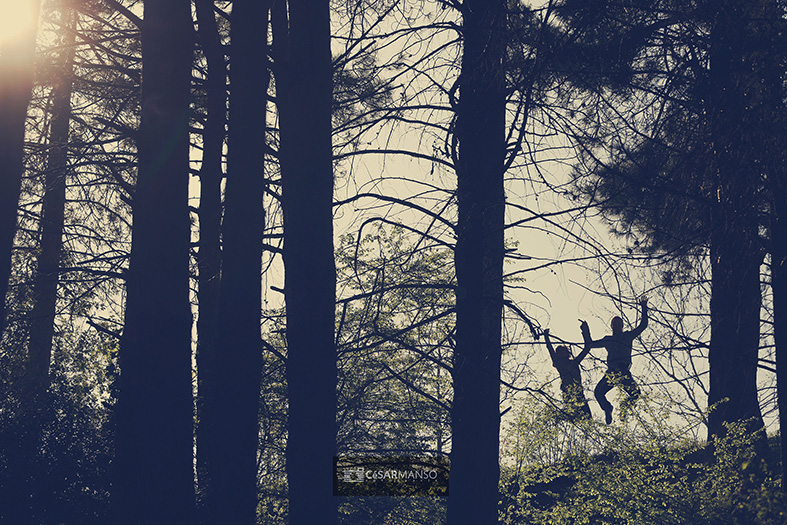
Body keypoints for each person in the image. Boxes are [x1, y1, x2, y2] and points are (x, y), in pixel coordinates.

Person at [584, 297, 649, 424]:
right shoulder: (608, 340)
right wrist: (585, 332)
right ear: (612, 326)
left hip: (624, 372)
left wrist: (644, 308)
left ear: (622, 326)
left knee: (636, 394)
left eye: (620, 324)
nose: (618, 326)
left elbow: (643, 326)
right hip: (612, 373)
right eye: (615, 324)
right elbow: (590, 345)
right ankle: (608, 408)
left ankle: (624, 407)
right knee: (598, 393)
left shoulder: (627, 336)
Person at [543, 322, 592, 420]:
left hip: (578, 393)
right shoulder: (559, 364)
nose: (561, 354)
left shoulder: (574, 362)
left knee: (588, 419)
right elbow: (550, 350)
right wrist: (546, 337)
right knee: (574, 417)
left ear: (567, 352)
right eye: (559, 353)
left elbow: (587, 348)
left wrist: (585, 332)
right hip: (568, 393)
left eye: (563, 352)